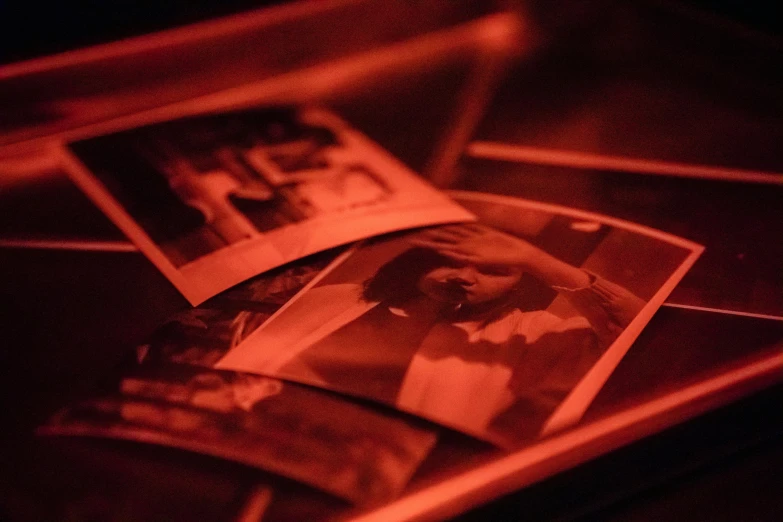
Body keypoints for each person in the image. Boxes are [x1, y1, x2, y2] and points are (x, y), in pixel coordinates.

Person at [219, 224, 645, 447]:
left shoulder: (533, 335)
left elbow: (634, 329)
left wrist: (537, 260)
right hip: (246, 429)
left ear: (522, 283)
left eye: (495, 269)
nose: (464, 276)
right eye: (451, 261)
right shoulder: (341, 297)